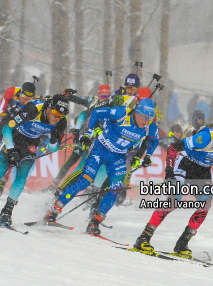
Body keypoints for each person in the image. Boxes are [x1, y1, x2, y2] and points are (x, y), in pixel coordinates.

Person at [132, 122, 213, 258]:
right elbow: (174, 148)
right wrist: (169, 173)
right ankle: (143, 238)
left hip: (202, 170)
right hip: (184, 163)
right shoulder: (206, 137)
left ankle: (182, 244)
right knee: (174, 200)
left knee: (205, 205)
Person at [44, 98, 158, 236]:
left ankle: (94, 223)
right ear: (137, 112)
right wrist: (88, 132)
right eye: (145, 116)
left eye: (150, 117)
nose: (146, 121)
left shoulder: (150, 126)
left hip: (118, 157)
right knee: (85, 180)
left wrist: (148, 156)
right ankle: (54, 210)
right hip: (100, 149)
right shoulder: (121, 113)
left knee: (115, 189)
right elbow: (96, 112)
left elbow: (154, 140)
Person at [0, 94, 69, 226]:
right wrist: (10, 150)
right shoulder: (33, 109)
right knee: (1, 170)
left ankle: (7, 211)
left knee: (22, 176)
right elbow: (7, 128)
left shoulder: (61, 121)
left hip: (31, 142)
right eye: (55, 113)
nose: (57, 117)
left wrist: (54, 141)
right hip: (14, 136)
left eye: (61, 115)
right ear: (49, 107)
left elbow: (54, 148)